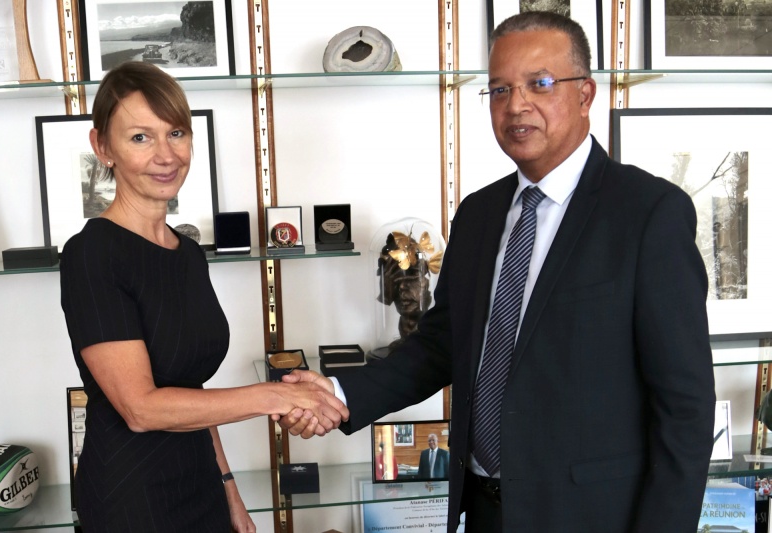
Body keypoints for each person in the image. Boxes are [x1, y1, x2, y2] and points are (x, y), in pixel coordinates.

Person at [279, 11, 716, 533]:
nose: (516, 105)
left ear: (585, 94)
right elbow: (440, 346)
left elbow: (686, 408)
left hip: (593, 517)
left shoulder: (648, 213)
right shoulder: (479, 214)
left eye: (540, 83)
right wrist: (339, 394)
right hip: (484, 511)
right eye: (500, 89)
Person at [59, 61, 348, 533]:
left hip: (200, 482)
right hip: (132, 498)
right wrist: (276, 395)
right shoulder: (91, 254)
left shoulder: (188, 253)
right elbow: (141, 408)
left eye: (176, 133)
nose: (165, 155)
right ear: (102, 147)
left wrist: (229, 489)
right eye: (140, 137)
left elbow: (189, 388)